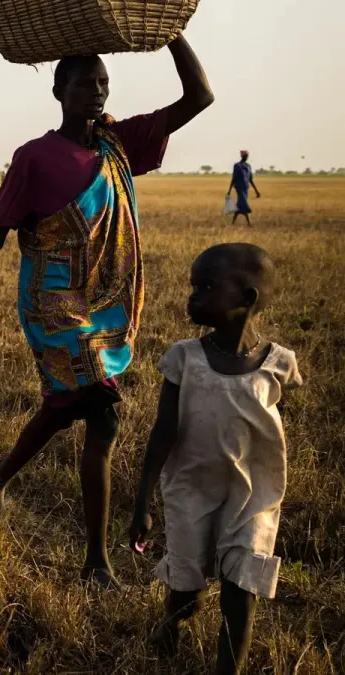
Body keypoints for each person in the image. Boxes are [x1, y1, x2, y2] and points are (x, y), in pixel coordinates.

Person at [0, 35, 214, 587]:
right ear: (57, 90)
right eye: (82, 84)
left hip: (104, 305)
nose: (95, 93)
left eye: (102, 84)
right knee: (103, 410)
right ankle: (97, 561)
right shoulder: (34, 158)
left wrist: (170, 34)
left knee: (68, 405)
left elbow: (199, 97)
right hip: (51, 304)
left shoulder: (119, 143)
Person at [129, 244, 301, 675]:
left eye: (206, 287)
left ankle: (230, 667)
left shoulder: (278, 364)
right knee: (187, 591)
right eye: (193, 286)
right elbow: (163, 432)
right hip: (191, 489)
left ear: (246, 299)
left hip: (253, 496)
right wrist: (142, 501)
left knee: (239, 590)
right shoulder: (183, 358)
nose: (193, 296)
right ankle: (170, 627)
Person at [228, 150, 261, 226]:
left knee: (240, 205)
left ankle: (233, 223)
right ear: (241, 156)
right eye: (244, 156)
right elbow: (234, 178)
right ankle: (249, 223)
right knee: (244, 204)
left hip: (246, 188)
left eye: (247, 156)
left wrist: (256, 191)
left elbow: (250, 179)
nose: (246, 157)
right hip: (239, 188)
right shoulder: (237, 166)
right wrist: (229, 190)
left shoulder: (249, 166)